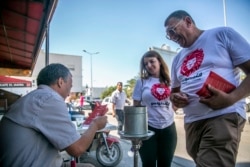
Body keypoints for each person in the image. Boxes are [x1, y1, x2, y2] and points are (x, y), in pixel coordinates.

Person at [164, 10, 250, 167]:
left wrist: (230, 99)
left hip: (223, 116)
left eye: (172, 31)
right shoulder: (177, 58)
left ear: (188, 21)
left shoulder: (222, 35)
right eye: (168, 36)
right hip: (192, 122)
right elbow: (174, 92)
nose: (172, 38)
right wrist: (175, 98)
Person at [0, 63, 107, 167]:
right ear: (60, 82)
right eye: (70, 87)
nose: (69, 93)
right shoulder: (50, 98)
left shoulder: (33, 98)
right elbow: (77, 149)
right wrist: (95, 125)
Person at [132, 50, 177, 167]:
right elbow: (135, 107)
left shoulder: (170, 82)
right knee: (148, 164)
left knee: (165, 164)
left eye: (152, 62)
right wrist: (135, 132)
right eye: (146, 64)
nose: (149, 66)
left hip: (169, 129)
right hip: (147, 129)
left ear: (160, 62)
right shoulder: (141, 82)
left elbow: (175, 104)